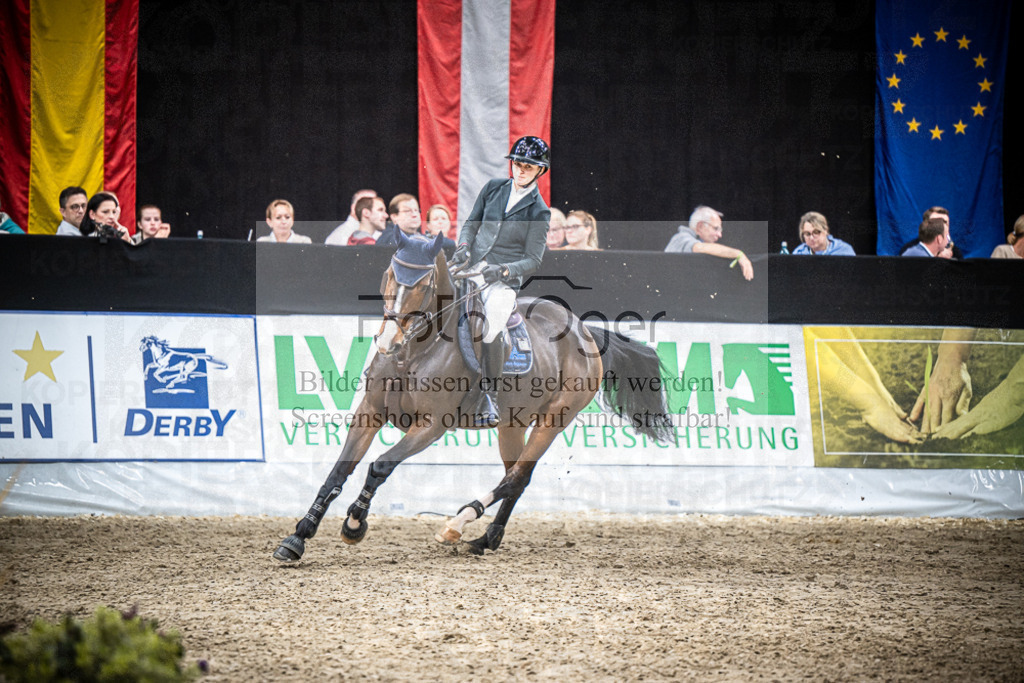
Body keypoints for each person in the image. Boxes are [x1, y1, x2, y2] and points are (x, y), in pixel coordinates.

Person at [453, 135, 552, 427]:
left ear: (540, 171)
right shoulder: (493, 188)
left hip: (502, 282)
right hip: (472, 266)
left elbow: (534, 259)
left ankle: (488, 393)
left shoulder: (539, 211)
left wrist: (505, 270)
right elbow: (472, 223)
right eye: (518, 164)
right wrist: (462, 248)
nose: (520, 171)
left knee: (491, 325)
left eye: (528, 167)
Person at [664, 205, 754, 280]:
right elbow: (699, 248)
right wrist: (738, 254)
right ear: (700, 226)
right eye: (716, 228)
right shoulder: (681, 238)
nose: (719, 235)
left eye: (720, 230)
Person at [377, 194, 455, 249]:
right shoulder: (389, 236)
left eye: (416, 210)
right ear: (394, 217)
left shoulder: (419, 234)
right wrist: (453, 243)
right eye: (408, 211)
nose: (414, 215)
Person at [899, 207, 963, 259]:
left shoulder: (955, 253)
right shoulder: (909, 250)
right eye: (936, 222)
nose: (941, 226)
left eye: (945, 223)